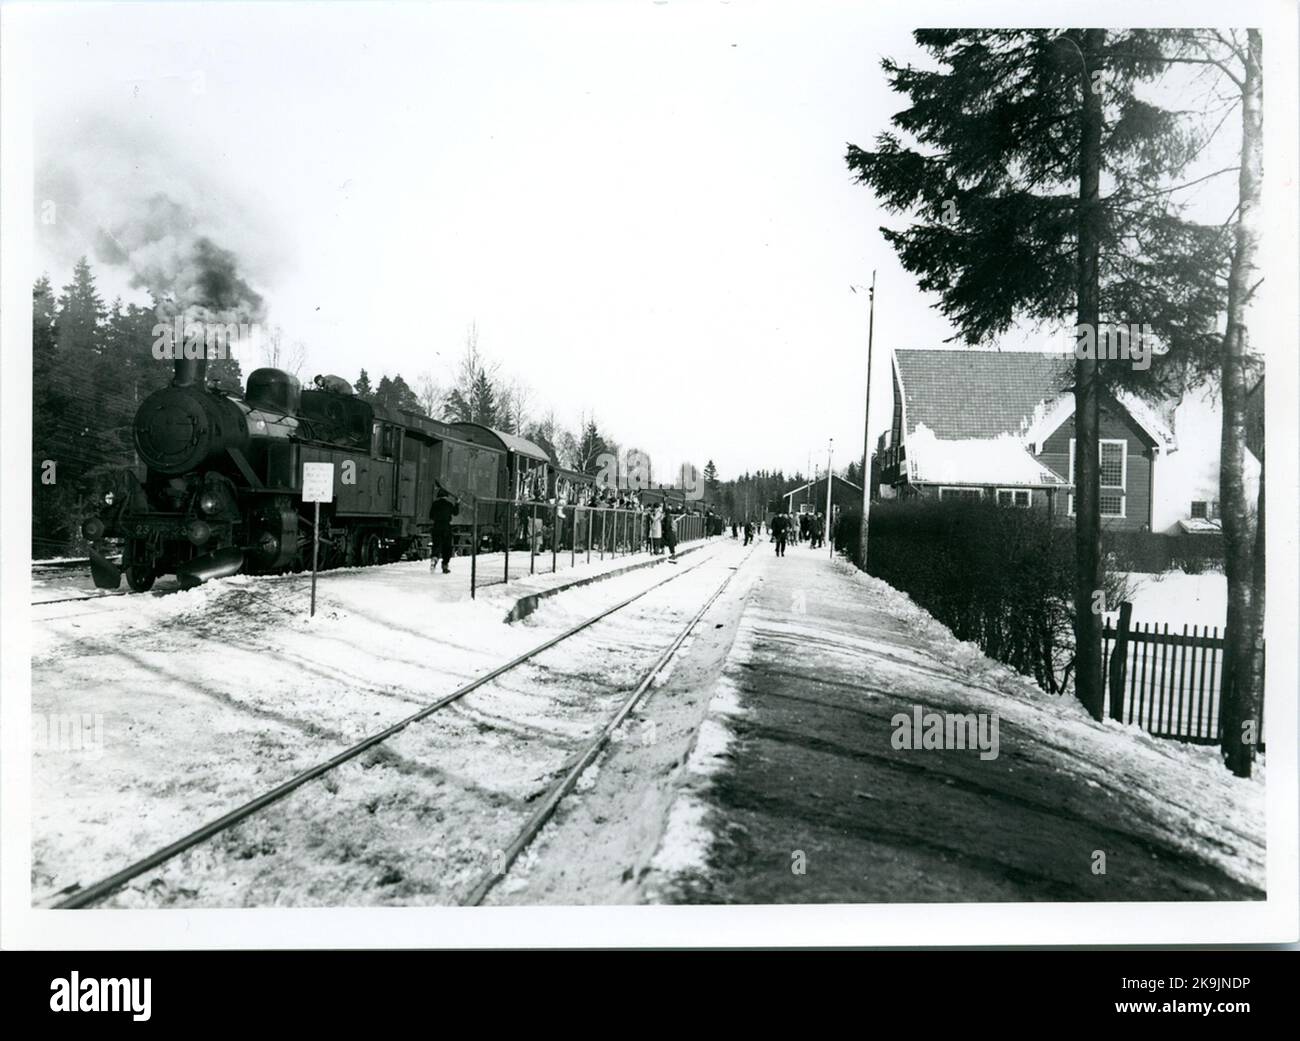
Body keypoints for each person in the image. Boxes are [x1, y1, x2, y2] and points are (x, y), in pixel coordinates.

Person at [429, 487, 460, 573]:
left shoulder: (434, 504)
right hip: (446, 527)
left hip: (436, 527)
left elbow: (431, 516)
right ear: (446, 496)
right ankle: (445, 565)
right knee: (447, 547)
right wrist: (457, 503)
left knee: (436, 545)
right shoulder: (449, 504)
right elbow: (456, 513)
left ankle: (434, 559)